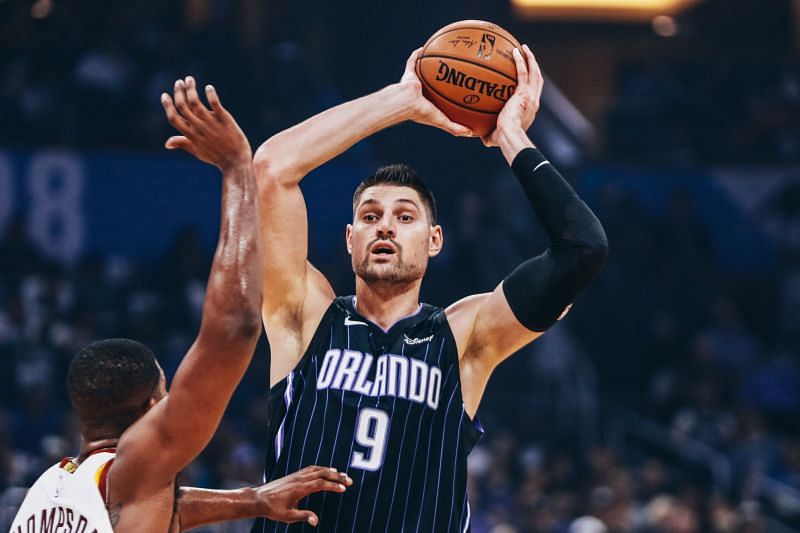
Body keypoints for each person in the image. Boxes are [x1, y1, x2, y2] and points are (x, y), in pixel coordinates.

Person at [251, 44, 608, 532]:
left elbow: (582, 248)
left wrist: (509, 136)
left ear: (435, 240)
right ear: (350, 238)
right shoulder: (303, 315)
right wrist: (402, 100)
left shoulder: (466, 338)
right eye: (370, 216)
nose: (385, 228)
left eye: (405, 217)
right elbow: (272, 168)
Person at [9, 77, 350, 533]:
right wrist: (236, 170)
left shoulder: (55, 487)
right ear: (152, 406)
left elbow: (156, 505)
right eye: (167, 393)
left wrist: (253, 500)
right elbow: (234, 329)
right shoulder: (133, 467)